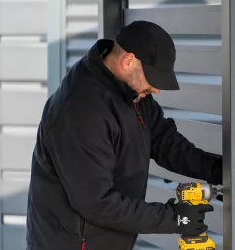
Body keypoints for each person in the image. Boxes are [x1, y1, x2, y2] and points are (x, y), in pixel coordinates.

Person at [25, 21, 222, 250]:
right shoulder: (81, 110)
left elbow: (167, 144)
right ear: (128, 61)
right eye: (153, 79)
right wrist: (176, 218)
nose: (156, 90)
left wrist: (220, 171)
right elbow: (97, 203)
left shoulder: (133, 93)